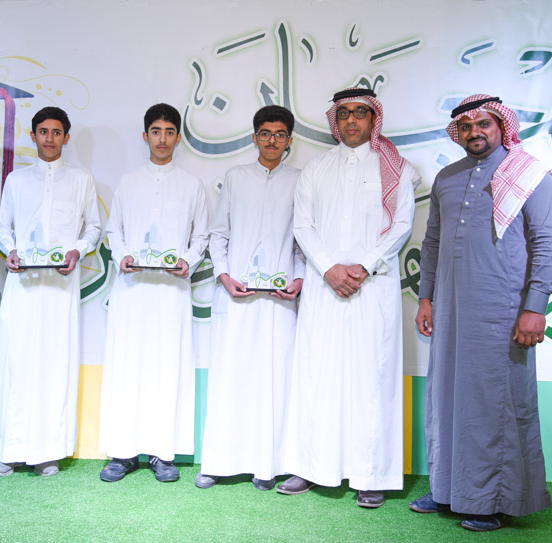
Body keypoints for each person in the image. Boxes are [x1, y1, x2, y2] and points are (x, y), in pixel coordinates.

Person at [411, 94, 552, 531]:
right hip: (450, 310)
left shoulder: (530, 176)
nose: (474, 132)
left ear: (502, 127)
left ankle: (490, 500)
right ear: (457, 132)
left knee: (494, 401)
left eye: (484, 124)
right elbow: (433, 242)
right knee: (446, 397)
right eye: (466, 126)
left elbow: (547, 244)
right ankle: (447, 488)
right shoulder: (447, 177)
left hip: (503, 309)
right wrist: (426, 297)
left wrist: (535, 307)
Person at [277, 88, 416, 508]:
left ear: (374, 120)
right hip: (324, 287)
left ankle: (371, 475)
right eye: (344, 114)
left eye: (360, 113)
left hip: (373, 288)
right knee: (317, 374)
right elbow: (302, 225)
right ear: (334, 121)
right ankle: (309, 467)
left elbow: (402, 225)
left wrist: (364, 266)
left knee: (371, 379)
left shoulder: (396, 169)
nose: (352, 120)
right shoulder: (316, 168)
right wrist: (329, 268)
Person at [98, 103, 209, 483]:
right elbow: (113, 231)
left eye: (169, 132)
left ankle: (164, 453)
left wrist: (188, 260)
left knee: (168, 367)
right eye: (156, 131)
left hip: (170, 293)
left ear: (178, 137)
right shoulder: (128, 182)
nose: (163, 139)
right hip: (132, 291)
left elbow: (201, 236)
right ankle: (123, 453)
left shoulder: (191, 185)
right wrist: (122, 256)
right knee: (127, 367)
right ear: (145, 136)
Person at [196, 105, 304, 491]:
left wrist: (299, 278)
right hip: (237, 297)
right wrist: (224, 275)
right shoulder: (236, 177)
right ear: (254, 137)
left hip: (280, 300)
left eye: (280, 134)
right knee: (231, 375)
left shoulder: (300, 181)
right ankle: (219, 463)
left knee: (275, 380)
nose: (272, 140)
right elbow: (219, 234)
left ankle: (267, 465)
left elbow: (302, 241)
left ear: (289, 141)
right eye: (265, 133)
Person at [0, 107, 101, 478]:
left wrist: (78, 250)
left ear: (66, 137)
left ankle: (47, 452)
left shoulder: (82, 179)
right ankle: (11, 451)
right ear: (33, 135)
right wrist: (11, 250)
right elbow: (3, 227)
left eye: (56, 132)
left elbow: (93, 228)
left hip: (59, 288)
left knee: (54, 364)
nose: (49, 138)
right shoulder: (17, 180)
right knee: (16, 362)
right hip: (22, 287)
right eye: (43, 131)